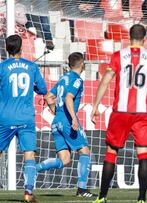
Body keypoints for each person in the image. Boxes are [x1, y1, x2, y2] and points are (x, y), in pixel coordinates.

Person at [91, 24, 147, 203]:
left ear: (129, 37)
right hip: (142, 112)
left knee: (111, 151)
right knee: (143, 154)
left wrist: (95, 105)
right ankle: (141, 198)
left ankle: (102, 197)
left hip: (121, 111)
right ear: (145, 39)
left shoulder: (118, 56)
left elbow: (105, 81)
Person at [36, 52, 95, 198]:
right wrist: (74, 119)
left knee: (65, 159)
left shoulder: (63, 78)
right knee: (85, 152)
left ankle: (34, 168)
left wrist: (56, 112)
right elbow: (69, 98)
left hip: (56, 122)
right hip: (68, 121)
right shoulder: (77, 80)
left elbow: (49, 96)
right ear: (82, 65)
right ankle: (81, 189)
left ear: (69, 64)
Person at [0, 35, 47, 202]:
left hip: (5, 117)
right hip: (26, 118)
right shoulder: (32, 67)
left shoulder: (2, 67)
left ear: (7, 49)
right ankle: (28, 192)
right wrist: (33, 86)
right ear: (21, 48)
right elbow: (42, 89)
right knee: (29, 154)